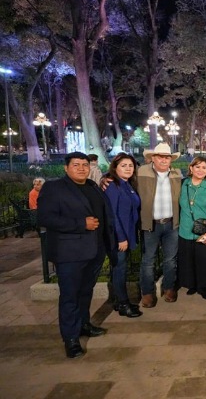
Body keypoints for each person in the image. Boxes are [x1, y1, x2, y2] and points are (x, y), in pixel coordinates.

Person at [37, 152, 116, 358]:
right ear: (66, 168)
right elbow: (45, 218)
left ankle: (83, 324)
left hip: (94, 250)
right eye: (76, 165)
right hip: (70, 253)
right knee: (70, 296)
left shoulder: (92, 186)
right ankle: (71, 339)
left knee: (85, 292)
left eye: (84, 165)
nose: (81, 168)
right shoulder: (54, 188)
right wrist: (81, 224)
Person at [137, 143, 183, 308]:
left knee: (170, 259)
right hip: (151, 224)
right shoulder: (142, 172)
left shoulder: (176, 174)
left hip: (171, 224)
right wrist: (106, 178)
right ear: (153, 158)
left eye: (167, 157)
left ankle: (169, 287)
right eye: (160, 157)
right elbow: (122, 176)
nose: (164, 160)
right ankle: (147, 292)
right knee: (148, 260)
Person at [103, 153, 142, 318]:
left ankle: (120, 301)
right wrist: (120, 238)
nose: (128, 168)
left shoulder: (127, 184)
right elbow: (111, 215)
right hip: (118, 237)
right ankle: (123, 304)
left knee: (120, 269)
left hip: (127, 233)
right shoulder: (112, 186)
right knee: (119, 269)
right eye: (123, 165)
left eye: (130, 166)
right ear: (115, 168)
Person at [178, 157, 206, 300]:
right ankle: (191, 284)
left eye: (204, 167)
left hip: (203, 231)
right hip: (185, 230)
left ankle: (203, 286)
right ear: (191, 168)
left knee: (203, 260)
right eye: (197, 167)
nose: (200, 170)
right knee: (188, 259)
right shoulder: (183, 184)